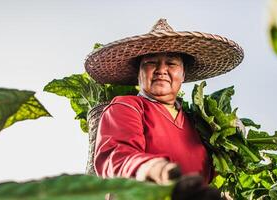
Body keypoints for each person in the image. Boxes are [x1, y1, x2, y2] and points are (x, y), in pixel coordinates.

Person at [84, 19, 243, 187]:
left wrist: (232, 137)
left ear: (183, 74)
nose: (161, 70)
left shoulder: (197, 123)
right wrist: (150, 169)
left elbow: (205, 175)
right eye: (151, 62)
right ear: (139, 73)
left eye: (171, 63)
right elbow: (116, 159)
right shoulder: (127, 107)